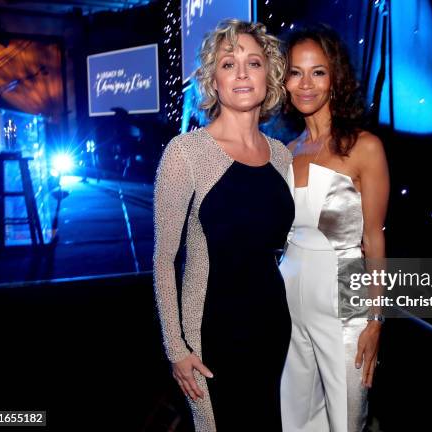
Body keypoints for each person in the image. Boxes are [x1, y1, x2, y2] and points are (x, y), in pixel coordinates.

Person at [153, 19, 293, 431]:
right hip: (211, 334)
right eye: (229, 64)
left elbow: (278, 249)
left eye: (254, 62)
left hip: (271, 327)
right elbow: (163, 260)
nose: (243, 73)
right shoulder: (186, 153)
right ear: (213, 79)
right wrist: (176, 348)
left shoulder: (281, 155)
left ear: (270, 76)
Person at [279, 27, 390, 432]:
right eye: (295, 72)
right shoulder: (285, 153)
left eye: (318, 72)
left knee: (345, 420)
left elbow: (375, 239)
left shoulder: (365, 147)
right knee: (295, 421)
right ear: (284, 80)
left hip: (346, 309)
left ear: (336, 78)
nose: (305, 84)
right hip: (290, 309)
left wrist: (376, 321)